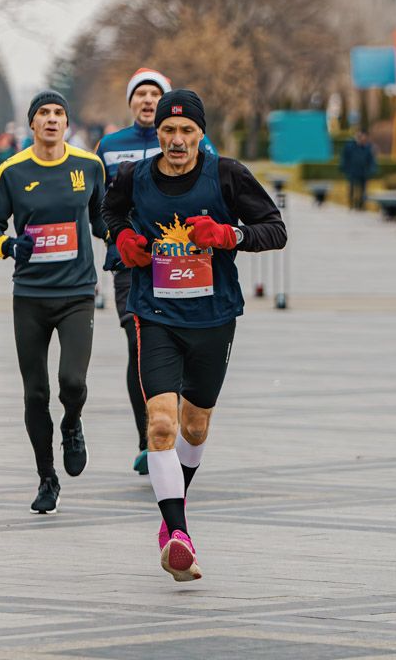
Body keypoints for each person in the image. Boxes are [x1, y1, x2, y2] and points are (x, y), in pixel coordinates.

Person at [102, 89, 286, 582]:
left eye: (187, 131)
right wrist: (122, 241)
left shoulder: (227, 175)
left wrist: (231, 236)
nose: (177, 140)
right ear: (157, 133)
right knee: (161, 426)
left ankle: (172, 512)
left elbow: (275, 229)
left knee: (195, 427)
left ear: (201, 134)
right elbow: (110, 214)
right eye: (168, 130)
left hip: (213, 316)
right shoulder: (132, 177)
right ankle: (178, 532)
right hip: (154, 313)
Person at [0, 90, 107, 514]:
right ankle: (47, 478)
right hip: (31, 296)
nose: (51, 119)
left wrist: (121, 242)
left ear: (66, 123)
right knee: (35, 393)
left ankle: (72, 424)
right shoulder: (11, 171)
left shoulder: (89, 166)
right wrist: (8, 247)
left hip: (76, 294)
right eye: (43, 114)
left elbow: (102, 217)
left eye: (58, 113)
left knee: (72, 382)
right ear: (32, 123)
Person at [96, 69, 217, 475]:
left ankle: (178, 430)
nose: (147, 100)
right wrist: (119, 236)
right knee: (139, 343)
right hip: (133, 263)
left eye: (154, 93)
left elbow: (215, 189)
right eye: (140, 94)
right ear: (131, 102)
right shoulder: (111, 147)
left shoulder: (195, 141)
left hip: (186, 262)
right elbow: (102, 204)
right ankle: (150, 436)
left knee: (181, 350)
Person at [339, 130, 377, 211]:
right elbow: (344, 158)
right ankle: (351, 204)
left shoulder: (367, 147)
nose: (362, 138)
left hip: (363, 171)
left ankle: (361, 205)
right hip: (352, 171)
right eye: (359, 136)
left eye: (363, 137)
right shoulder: (350, 146)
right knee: (352, 188)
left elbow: (371, 160)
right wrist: (344, 168)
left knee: (363, 190)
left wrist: (372, 169)